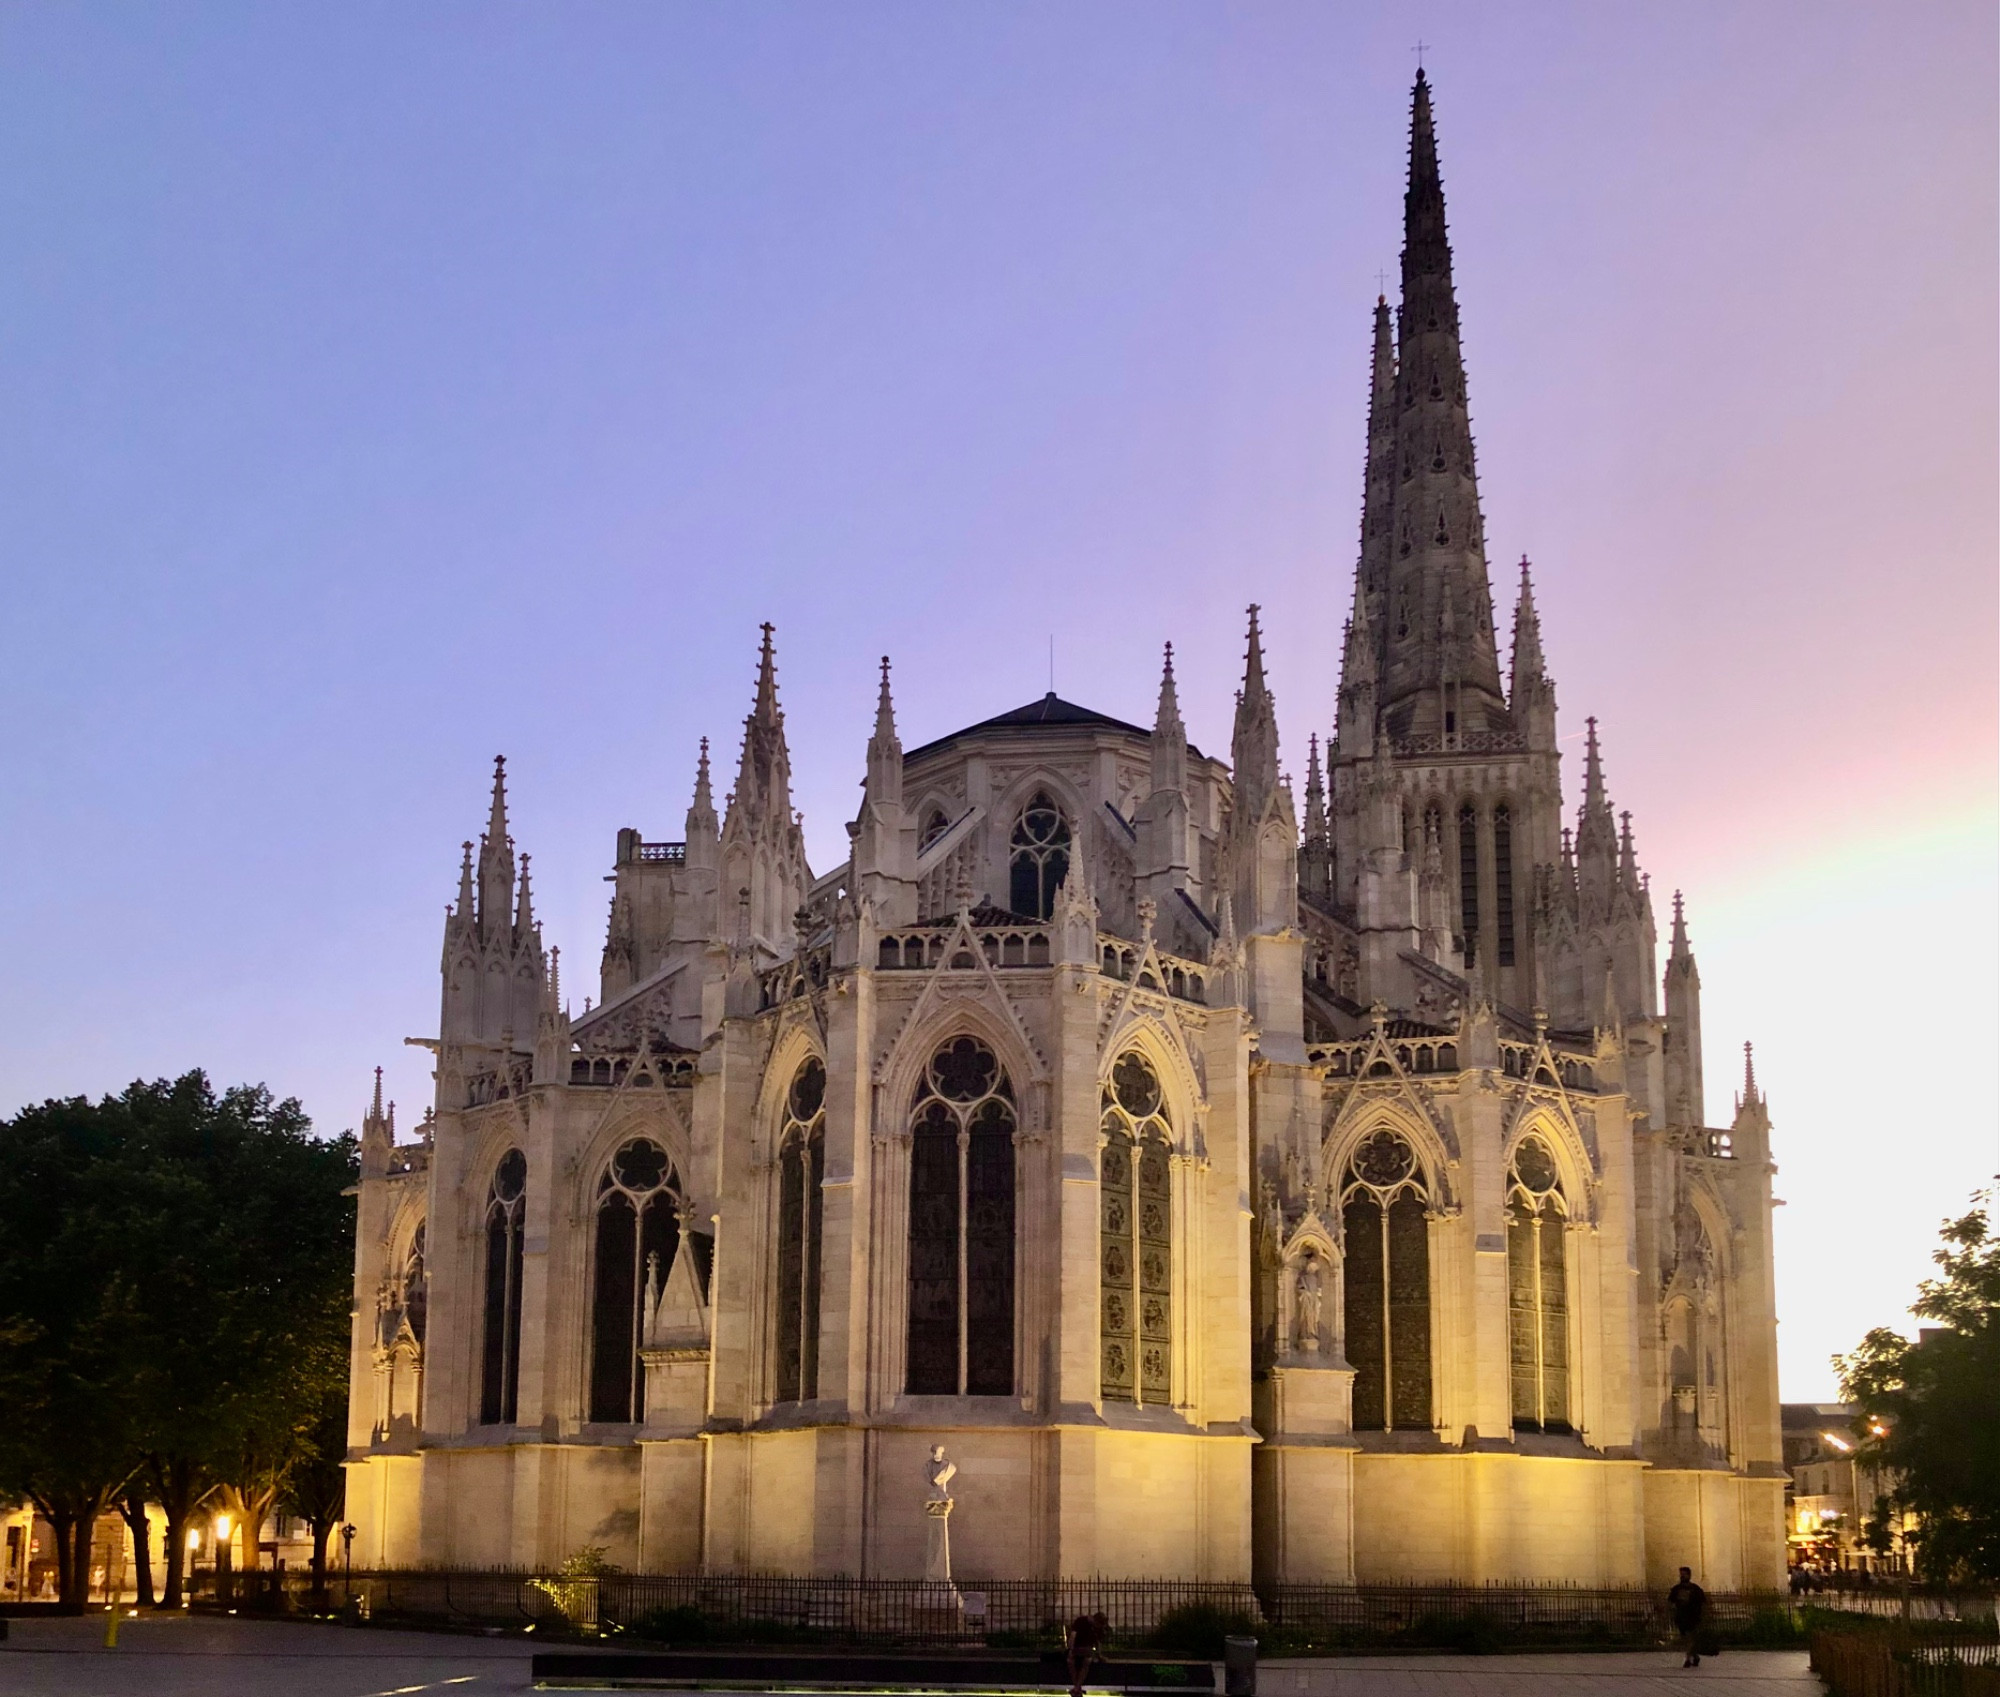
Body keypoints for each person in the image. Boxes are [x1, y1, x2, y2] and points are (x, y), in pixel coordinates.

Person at [1668, 1567, 1708, 1668]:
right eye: (1681, 1574)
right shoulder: (1676, 1589)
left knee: (1690, 1638)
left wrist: (1704, 1617)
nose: (1682, 1576)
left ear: (1689, 1575)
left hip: (1693, 1617)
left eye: (1684, 1574)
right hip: (1681, 1618)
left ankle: (1687, 1659)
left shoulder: (1696, 1589)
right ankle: (1694, 1656)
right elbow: (1670, 1602)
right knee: (1686, 1639)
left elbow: (1703, 1603)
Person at [1066, 1609, 1109, 1697]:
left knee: (1086, 1660)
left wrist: (1099, 1655)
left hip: (1086, 1650)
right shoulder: (1081, 1621)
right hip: (1077, 1647)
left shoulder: (1098, 1628)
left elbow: (1098, 1643)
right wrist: (1070, 1650)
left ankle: (1076, 1689)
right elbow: (1073, 1636)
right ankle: (1078, 1688)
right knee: (1072, 1661)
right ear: (1095, 1620)